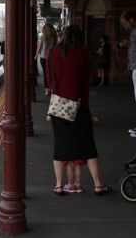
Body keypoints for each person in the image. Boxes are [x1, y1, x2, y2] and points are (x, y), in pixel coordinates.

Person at [46, 25, 111, 196]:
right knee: (88, 145)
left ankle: (59, 185)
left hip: (59, 105)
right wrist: (86, 107)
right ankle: (98, 184)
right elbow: (85, 84)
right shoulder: (84, 54)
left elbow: (50, 81)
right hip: (80, 104)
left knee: (60, 145)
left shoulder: (52, 53)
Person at [35, 23, 58, 96]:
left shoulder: (43, 37)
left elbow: (39, 47)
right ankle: (52, 88)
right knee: (52, 73)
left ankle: (47, 90)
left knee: (45, 73)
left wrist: (36, 56)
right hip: (52, 57)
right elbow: (55, 46)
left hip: (43, 57)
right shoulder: (54, 36)